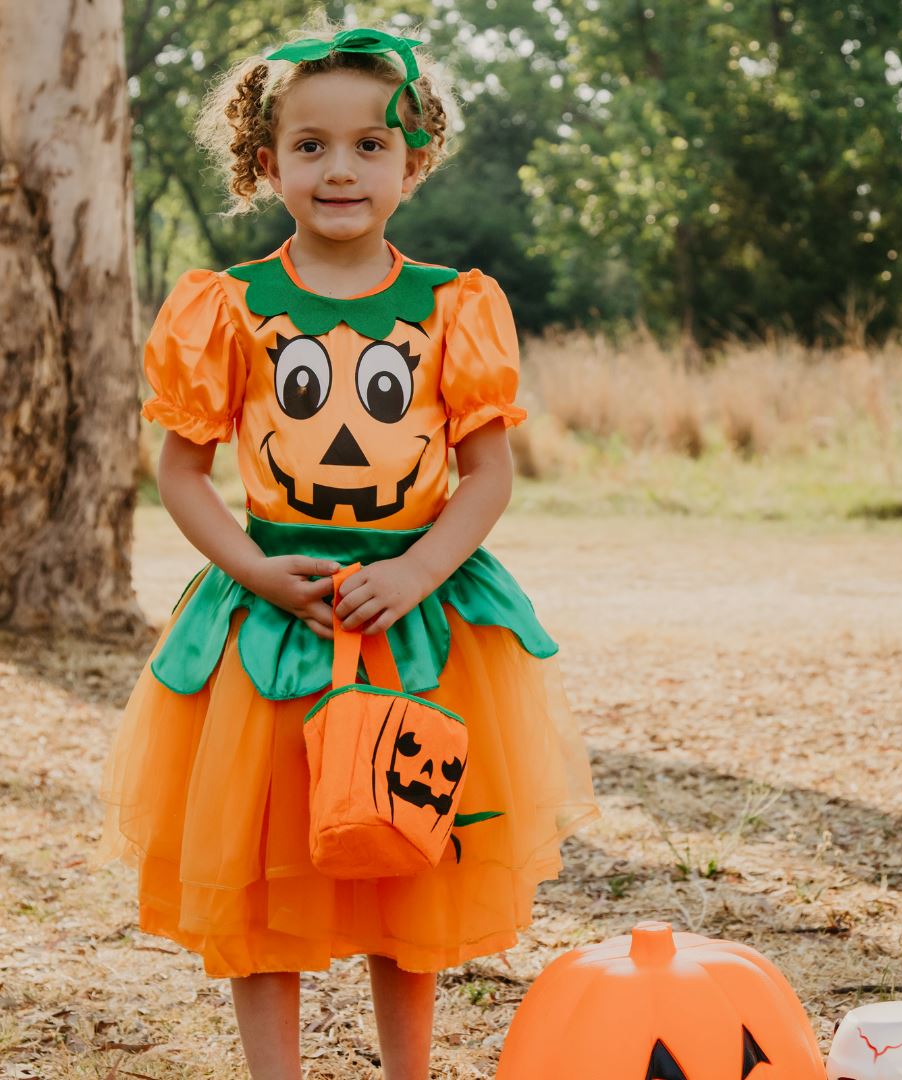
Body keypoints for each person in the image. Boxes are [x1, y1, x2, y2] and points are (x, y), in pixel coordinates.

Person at [98, 21, 597, 1080]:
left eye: (371, 145)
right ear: (264, 160)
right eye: (310, 144)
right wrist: (253, 571)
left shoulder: (453, 307)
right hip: (272, 619)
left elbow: (489, 472)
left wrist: (419, 569)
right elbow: (181, 472)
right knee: (261, 856)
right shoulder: (228, 309)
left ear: (414, 163)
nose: (339, 168)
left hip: (412, 615)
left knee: (408, 849)